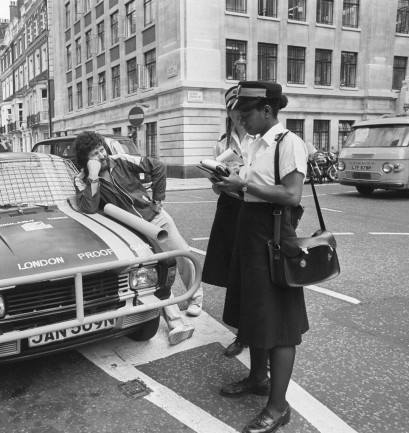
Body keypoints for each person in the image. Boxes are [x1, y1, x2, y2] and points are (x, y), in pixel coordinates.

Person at [213, 81, 309, 433]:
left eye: (246, 114)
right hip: (249, 234)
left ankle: (278, 406)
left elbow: (291, 194)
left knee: (281, 327)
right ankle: (257, 378)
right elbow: (251, 192)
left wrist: (244, 186)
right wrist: (228, 185)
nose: (242, 120)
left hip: (273, 239)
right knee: (253, 316)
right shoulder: (254, 145)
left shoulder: (289, 143)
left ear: (268, 110)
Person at [74, 131, 202, 345]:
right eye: (95, 154)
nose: (102, 156)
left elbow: (158, 166)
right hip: (134, 230)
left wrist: (158, 198)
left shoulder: (121, 160)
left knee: (184, 256)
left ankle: (195, 298)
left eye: (101, 150)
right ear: (85, 159)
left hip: (156, 218)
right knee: (158, 271)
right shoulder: (82, 179)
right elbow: (89, 208)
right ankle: (175, 322)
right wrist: (93, 178)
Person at [201, 86, 256, 355]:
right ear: (228, 111)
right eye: (233, 109)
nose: (238, 114)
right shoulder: (222, 142)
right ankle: (241, 333)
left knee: (251, 273)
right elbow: (215, 187)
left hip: (253, 207)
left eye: (242, 108)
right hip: (229, 208)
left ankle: (250, 332)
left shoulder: (259, 140)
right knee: (232, 273)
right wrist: (218, 181)